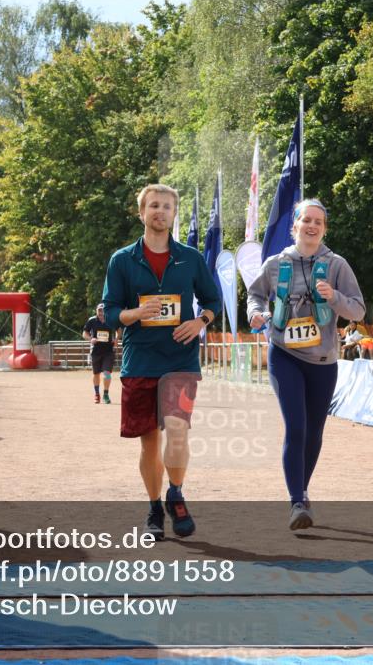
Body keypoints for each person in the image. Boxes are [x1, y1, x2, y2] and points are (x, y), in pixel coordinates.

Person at [102, 183, 221, 541]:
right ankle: (154, 507)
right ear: (142, 213)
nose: (160, 211)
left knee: (178, 431)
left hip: (180, 360)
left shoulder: (190, 258)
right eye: (154, 205)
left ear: (173, 214)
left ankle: (176, 494)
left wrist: (200, 322)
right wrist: (135, 313)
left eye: (167, 206)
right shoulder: (122, 260)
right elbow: (110, 311)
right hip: (140, 362)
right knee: (150, 442)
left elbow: (213, 300)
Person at [247, 198, 365, 531]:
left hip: (323, 360)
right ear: (295, 225)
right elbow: (255, 295)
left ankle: (302, 489)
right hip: (285, 354)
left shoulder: (337, 265)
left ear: (324, 229)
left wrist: (334, 297)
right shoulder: (275, 263)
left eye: (318, 222)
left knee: (314, 432)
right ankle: (297, 501)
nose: (312, 226)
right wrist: (255, 313)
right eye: (306, 220)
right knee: (296, 427)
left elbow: (358, 310)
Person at [83, 303, 118, 404]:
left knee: (107, 373)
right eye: (99, 310)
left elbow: (118, 330)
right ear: (96, 311)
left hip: (108, 351)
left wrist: (116, 339)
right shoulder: (92, 320)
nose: (101, 312)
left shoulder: (111, 320)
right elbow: (84, 333)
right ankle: (97, 394)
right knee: (96, 374)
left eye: (102, 310)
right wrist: (91, 339)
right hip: (96, 351)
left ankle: (106, 394)